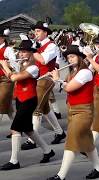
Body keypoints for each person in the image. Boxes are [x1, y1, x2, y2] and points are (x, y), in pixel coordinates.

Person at [47, 45, 99, 180]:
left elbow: (70, 88)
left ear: (79, 58)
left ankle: (60, 176)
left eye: (72, 56)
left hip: (83, 111)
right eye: (68, 57)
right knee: (88, 143)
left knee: (71, 142)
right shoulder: (72, 72)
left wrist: (57, 79)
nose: (70, 59)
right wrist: (56, 79)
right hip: (73, 110)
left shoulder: (85, 72)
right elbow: (66, 85)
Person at [0, 39, 55, 171]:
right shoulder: (23, 64)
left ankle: (14, 161)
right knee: (28, 129)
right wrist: (9, 64)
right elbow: (15, 73)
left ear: (31, 53)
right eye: (20, 52)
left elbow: (14, 78)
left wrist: (4, 65)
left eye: (24, 52)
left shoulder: (34, 68)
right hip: (20, 99)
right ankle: (48, 151)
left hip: (29, 100)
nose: (21, 54)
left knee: (15, 129)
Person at [21, 21, 66, 150]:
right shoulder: (39, 46)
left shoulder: (51, 46)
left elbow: (43, 60)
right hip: (39, 77)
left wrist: (32, 50)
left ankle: (32, 139)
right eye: (35, 32)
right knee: (45, 108)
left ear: (45, 33)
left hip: (47, 78)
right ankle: (59, 132)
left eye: (38, 31)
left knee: (36, 108)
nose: (36, 34)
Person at [0, 27, 17, 125]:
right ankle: (18, 127)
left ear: (2, 38)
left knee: (1, 102)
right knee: (8, 107)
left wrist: (5, 64)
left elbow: (15, 65)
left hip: (6, 79)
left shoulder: (8, 49)